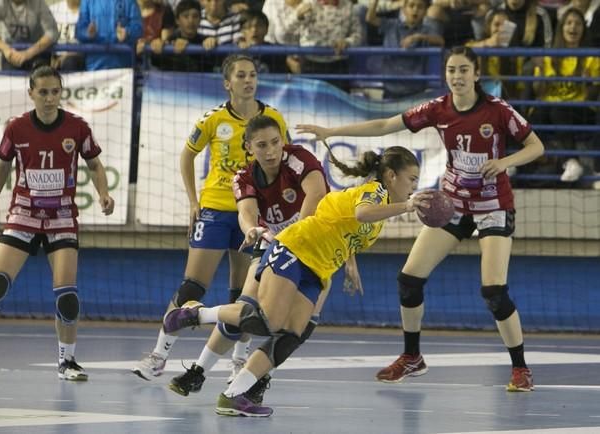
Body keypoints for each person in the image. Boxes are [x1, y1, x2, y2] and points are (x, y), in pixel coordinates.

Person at [296, 46, 545, 392]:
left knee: (493, 292)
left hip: (492, 205)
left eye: (463, 70)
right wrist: (331, 132)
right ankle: (412, 356)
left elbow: (537, 146)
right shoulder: (437, 109)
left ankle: (520, 368)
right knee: (409, 280)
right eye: (451, 70)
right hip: (453, 204)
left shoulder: (498, 111)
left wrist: (504, 163)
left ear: (476, 74)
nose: (457, 76)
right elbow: (385, 124)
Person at [163, 145, 431, 417]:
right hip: (296, 249)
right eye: (412, 179)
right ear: (390, 175)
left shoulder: (381, 212)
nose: (414, 187)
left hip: (318, 270)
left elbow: (344, 231)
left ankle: (233, 396)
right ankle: (194, 313)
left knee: (292, 335)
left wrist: (347, 265)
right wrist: (407, 206)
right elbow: (362, 213)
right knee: (266, 319)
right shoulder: (376, 192)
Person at [167, 115, 360, 403]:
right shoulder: (243, 178)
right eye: (261, 145)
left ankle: (256, 379)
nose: (270, 151)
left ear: (283, 141)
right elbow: (246, 215)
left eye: (275, 143)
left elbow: (320, 195)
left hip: (314, 250)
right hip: (273, 247)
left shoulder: (298, 160)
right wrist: (252, 230)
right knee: (245, 315)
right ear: (249, 147)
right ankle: (197, 371)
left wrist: (343, 256)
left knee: (298, 330)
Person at [0, 65, 115, 382]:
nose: (50, 98)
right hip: (23, 214)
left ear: (61, 93)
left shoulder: (78, 127)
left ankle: (67, 361)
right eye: (43, 92)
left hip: (62, 216)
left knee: (67, 294)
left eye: (55, 91)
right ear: (31, 93)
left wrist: (103, 193)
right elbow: (0, 169)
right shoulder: (17, 128)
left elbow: (94, 164)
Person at [132, 54, 291, 381]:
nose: (249, 80)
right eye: (241, 75)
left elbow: (281, 163)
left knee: (243, 295)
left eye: (253, 75)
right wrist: (193, 200)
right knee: (193, 286)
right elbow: (187, 155)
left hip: (254, 214)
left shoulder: (273, 117)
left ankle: (238, 361)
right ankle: (160, 355)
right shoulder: (212, 120)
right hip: (217, 208)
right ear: (227, 83)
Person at [528, 7, 599, 184]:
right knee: (532, 117)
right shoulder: (548, 57)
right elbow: (540, 92)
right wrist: (541, 75)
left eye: (577, 23)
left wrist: (588, 82)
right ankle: (522, 167)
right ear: (561, 28)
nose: (573, 27)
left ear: (583, 29)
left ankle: (571, 161)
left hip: (580, 111)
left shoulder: (592, 57)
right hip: (551, 109)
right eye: (568, 23)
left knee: (558, 110)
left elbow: (592, 96)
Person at [366, 0, 444, 98]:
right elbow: (370, 18)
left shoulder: (426, 30)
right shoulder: (391, 25)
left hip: (415, 92)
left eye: (420, 7)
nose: (415, 10)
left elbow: (440, 41)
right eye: (411, 6)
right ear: (403, 9)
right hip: (391, 90)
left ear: (425, 12)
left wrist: (417, 36)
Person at [0, 0, 58, 70]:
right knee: (9, 81)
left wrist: (28, 53)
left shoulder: (38, 3)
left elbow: (52, 32)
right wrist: (6, 49)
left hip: (37, 53)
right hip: (12, 54)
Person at [75, 0, 143, 71]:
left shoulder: (129, 1)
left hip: (123, 67)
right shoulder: (87, 1)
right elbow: (79, 31)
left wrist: (127, 33)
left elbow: (138, 28)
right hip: (95, 66)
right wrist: (87, 33)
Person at [50, 0, 85, 71]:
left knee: (70, 62)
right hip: (56, 55)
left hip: (79, 55)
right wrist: (52, 58)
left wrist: (68, 55)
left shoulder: (88, 9)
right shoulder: (54, 9)